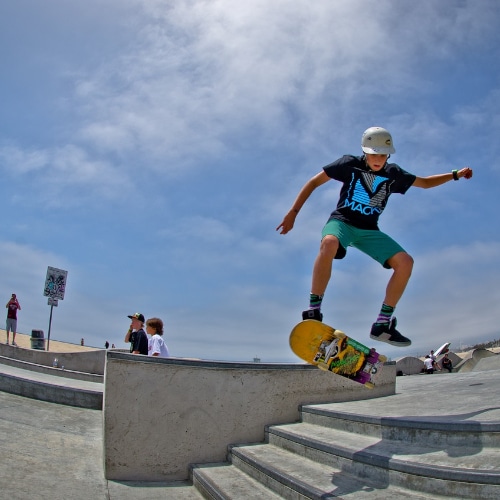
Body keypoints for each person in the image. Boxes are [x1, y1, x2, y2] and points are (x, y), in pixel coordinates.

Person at [277, 126, 473, 347]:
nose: (378, 159)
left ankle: (383, 324)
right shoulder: (348, 164)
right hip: (342, 222)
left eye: (382, 155)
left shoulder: (393, 174)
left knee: (405, 262)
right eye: (373, 154)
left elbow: (425, 183)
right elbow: (314, 182)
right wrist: (293, 213)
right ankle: (314, 310)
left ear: (388, 154)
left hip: (369, 230)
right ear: (365, 152)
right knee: (329, 243)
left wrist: (455, 174)